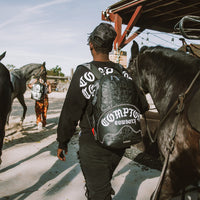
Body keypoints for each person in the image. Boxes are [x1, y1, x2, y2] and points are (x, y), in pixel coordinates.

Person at [56, 23, 148, 200]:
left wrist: (62, 142)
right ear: (112, 46)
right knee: (101, 184)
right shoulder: (123, 72)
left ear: (91, 44)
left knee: (99, 194)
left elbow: (70, 112)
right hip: (119, 145)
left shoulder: (83, 72)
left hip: (93, 146)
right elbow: (143, 105)